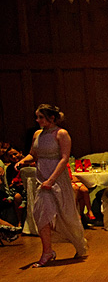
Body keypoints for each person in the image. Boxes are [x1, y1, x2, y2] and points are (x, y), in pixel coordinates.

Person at [14, 104, 88, 266]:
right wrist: (22, 161)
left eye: (41, 117)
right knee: (40, 214)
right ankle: (47, 251)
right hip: (42, 179)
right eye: (37, 117)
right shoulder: (37, 134)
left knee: (65, 214)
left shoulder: (61, 134)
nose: (37, 120)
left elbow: (64, 158)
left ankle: (78, 244)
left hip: (56, 178)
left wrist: (52, 179)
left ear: (52, 118)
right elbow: (32, 155)